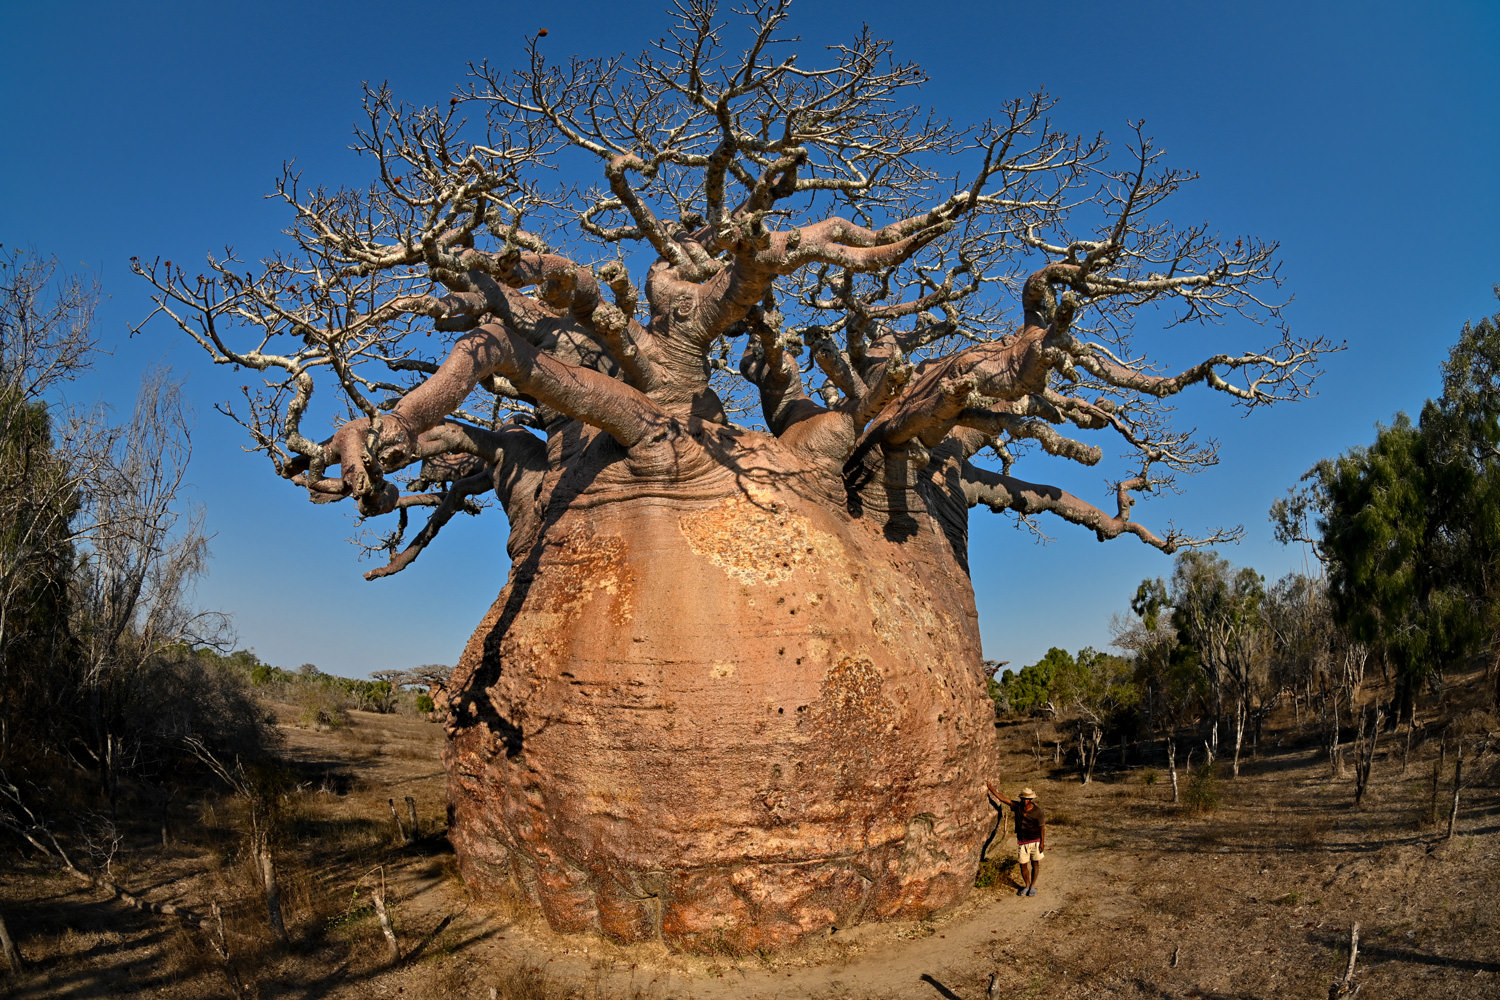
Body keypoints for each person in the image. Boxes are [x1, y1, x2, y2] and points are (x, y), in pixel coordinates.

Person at [985, 782, 1045, 896]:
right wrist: (991, 788)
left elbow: (1042, 827)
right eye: (1023, 799)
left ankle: (1032, 886)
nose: (1025, 801)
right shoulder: (1018, 807)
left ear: (1031, 799)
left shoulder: (1038, 811)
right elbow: (1003, 799)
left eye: (1027, 799)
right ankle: (1027, 885)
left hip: (1035, 841)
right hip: (1022, 841)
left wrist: (1042, 843)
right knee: (1023, 864)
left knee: (1035, 864)